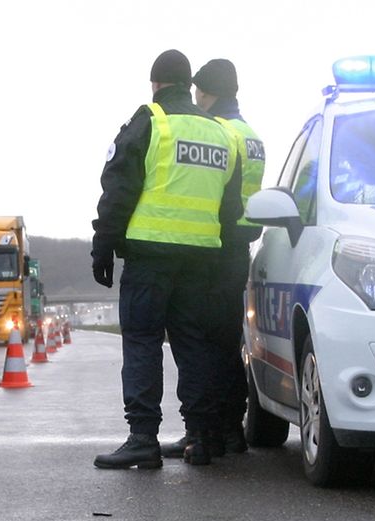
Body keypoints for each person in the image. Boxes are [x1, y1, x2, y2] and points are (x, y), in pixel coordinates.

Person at [91, 50, 245, 469]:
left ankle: (143, 437)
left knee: (142, 341)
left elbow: (119, 189)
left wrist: (103, 246)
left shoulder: (151, 121)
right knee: (193, 344)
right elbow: (231, 207)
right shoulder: (220, 133)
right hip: (203, 261)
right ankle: (200, 437)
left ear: (157, 84)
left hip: (150, 255)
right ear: (188, 84)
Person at [159, 59, 266, 459]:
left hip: (212, 249)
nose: (196, 101)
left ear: (208, 93)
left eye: (198, 93)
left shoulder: (220, 133)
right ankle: (229, 430)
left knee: (198, 346)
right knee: (226, 344)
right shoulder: (251, 135)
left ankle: (202, 433)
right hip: (239, 250)